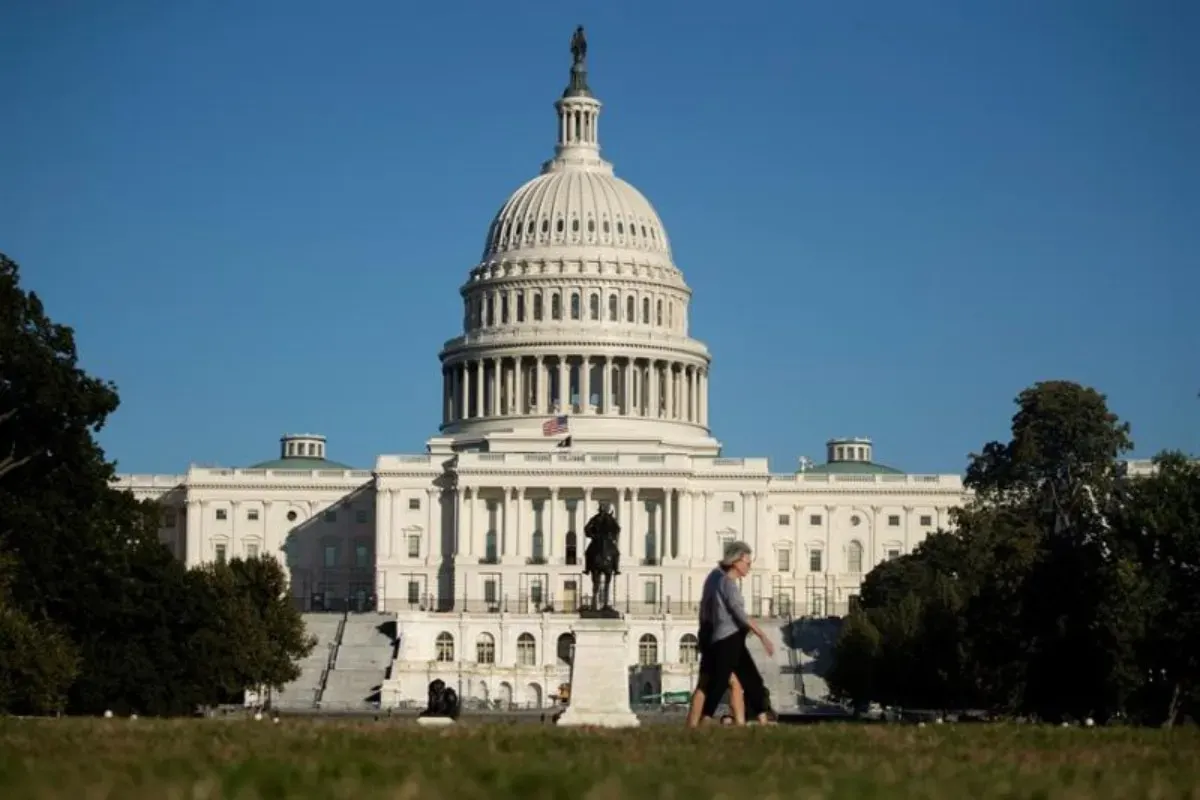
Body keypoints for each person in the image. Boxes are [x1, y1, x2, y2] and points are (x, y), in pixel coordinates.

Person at [686, 540, 774, 727]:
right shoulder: (726, 582)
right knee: (718, 683)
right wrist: (762, 635)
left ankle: (755, 721)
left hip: (720, 635)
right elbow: (739, 613)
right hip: (725, 638)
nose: (750, 567)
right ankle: (704, 720)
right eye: (748, 563)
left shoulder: (716, 577)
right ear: (736, 561)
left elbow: (709, 609)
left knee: (744, 681)